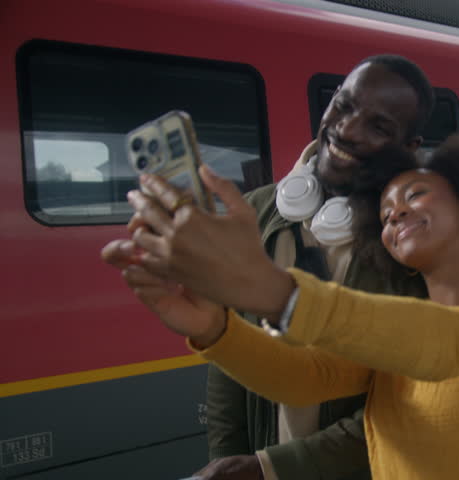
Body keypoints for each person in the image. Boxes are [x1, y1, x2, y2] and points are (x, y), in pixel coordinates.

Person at [105, 134, 459, 478]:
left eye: (415, 194)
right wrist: (215, 329)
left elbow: (458, 343)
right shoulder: (395, 339)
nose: (397, 214)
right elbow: (306, 377)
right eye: (386, 216)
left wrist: (271, 289)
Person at [103, 54, 434, 480]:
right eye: (344, 105)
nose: (347, 129)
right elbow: (227, 379)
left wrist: (268, 469)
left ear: (409, 148)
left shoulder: (418, 242)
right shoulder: (256, 210)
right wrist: (228, 460)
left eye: (379, 126)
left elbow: (405, 407)